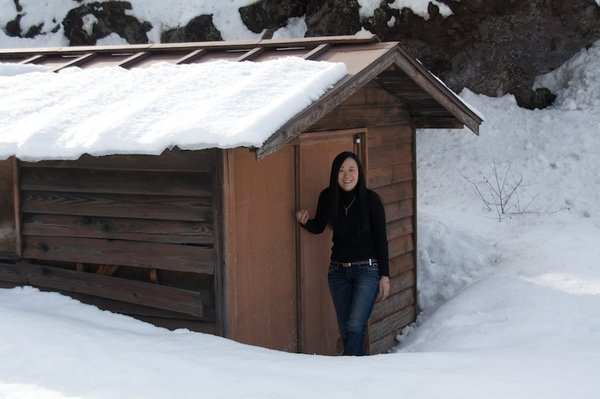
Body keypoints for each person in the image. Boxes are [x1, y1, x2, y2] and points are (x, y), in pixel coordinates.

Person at [296, 151, 390, 356]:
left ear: (359, 173)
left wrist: (385, 275)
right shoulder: (328, 197)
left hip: (367, 270)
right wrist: (305, 222)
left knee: (355, 325)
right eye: (341, 170)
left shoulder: (372, 200)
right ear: (334, 173)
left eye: (351, 170)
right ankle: (358, 373)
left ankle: (348, 375)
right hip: (337, 271)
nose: (346, 175)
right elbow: (319, 226)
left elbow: (382, 239)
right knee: (346, 329)